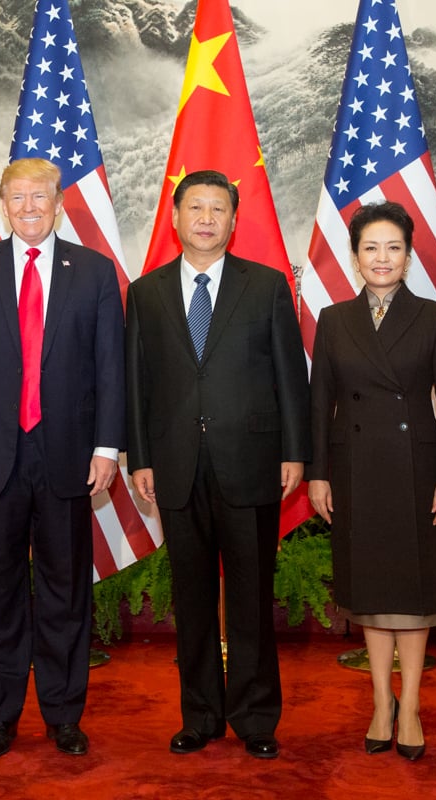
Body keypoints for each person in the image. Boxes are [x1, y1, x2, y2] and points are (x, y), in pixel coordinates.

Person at [0, 158, 125, 759]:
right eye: (17, 198)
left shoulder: (94, 272)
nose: (29, 208)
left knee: (67, 590)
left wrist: (106, 447)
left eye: (39, 197)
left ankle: (64, 714)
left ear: (59, 202)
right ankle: (1, 716)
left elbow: (110, 367)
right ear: (3, 205)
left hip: (69, 452)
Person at [126, 170, 311, 760]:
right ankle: (200, 715)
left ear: (234, 220)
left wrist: (295, 451)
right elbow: (137, 385)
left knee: (252, 595)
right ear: (176, 218)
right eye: (195, 208)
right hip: (176, 466)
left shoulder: (266, 286)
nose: (206, 218)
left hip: (252, 460)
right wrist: (140, 458)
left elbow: (290, 375)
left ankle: (255, 716)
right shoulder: (146, 291)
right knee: (194, 595)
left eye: (218, 209)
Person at [306, 201, 436, 762]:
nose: (382, 258)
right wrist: (319, 475)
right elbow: (319, 403)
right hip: (355, 471)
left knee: (412, 597)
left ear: (408, 255)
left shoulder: (434, 318)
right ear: (355, 258)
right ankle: (380, 703)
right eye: (371, 248)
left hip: (418, 472)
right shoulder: (334, 321)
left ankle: (414, 704)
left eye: (393, 247)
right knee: (373, 597)